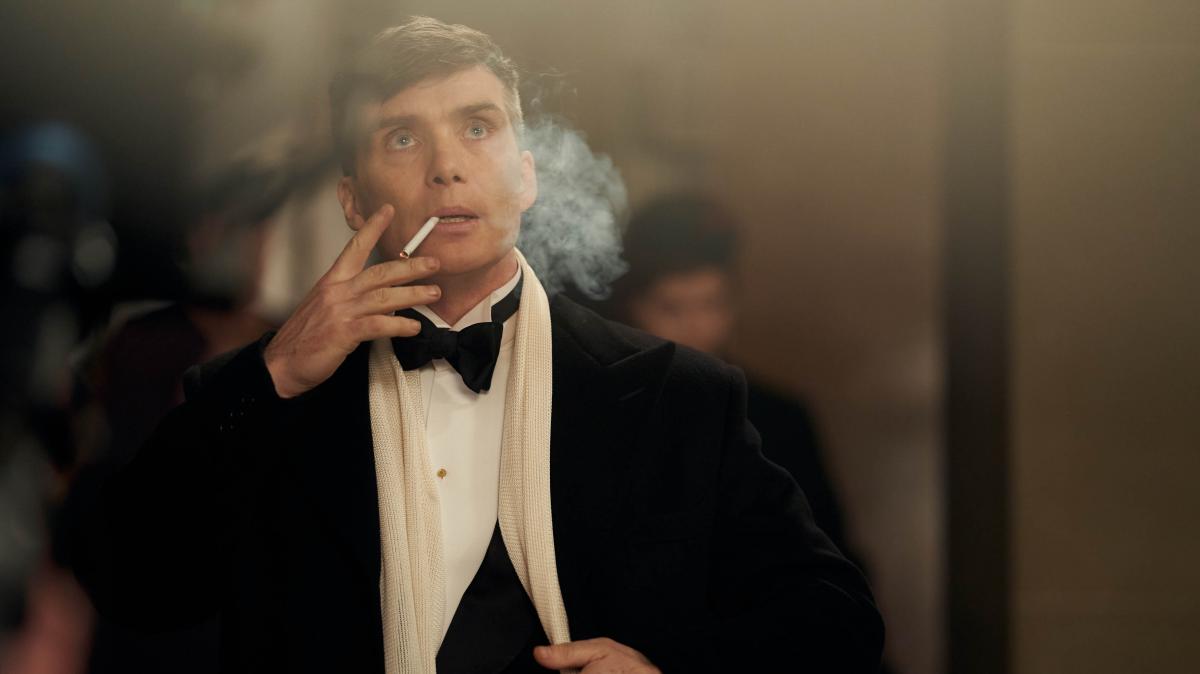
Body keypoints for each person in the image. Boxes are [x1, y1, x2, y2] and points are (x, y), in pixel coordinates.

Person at [71, 17, 883, 673]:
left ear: (525, 176)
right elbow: (134, 588)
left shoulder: (677, 396)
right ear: (352, 201)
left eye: (477, 127)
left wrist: (666, 669)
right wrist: (273, 372)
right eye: (401, 138)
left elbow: (837, 618)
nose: (447, 167)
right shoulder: (262, 395)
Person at [607, 193, 855, 556]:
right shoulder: (603, 414)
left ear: (733, 302)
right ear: (632, 308)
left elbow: (831, 557)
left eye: (711, 304)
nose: (696, 328)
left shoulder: (778, 420)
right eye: (672, 308)